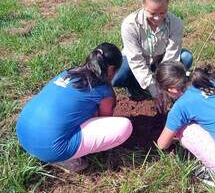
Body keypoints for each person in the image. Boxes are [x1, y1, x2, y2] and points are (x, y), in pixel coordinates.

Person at [16, 43, 133, 172]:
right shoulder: (104, 91)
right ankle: (65, 160)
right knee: (124, 127)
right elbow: (105, 119)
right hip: (51, 148)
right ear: (111, 69)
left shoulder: (69, 73)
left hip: (23, 133)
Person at [112, 0, 193, 112]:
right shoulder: (130, 25)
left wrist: (163, 87)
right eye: (152, 13)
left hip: (159, 61)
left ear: (168, 5)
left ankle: (159, 85)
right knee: (118, 76)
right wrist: (153, 90)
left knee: (186, 58)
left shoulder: (175, 23)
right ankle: (134, 88)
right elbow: (135, 59)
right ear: (143, 5)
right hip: (136, 61)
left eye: (162, 12)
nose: (157, 18)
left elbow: (171, 57)